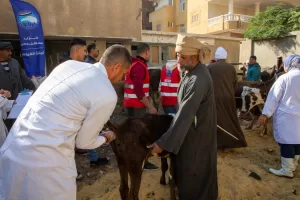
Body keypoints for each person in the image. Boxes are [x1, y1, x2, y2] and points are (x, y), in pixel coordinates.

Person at [0, 44, 132, 200]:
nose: (121, 79)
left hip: (13, 149)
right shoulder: (107, 93)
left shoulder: (68, 65)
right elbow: (84, 143)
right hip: (45, 164)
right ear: (116, 67)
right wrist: (107, 137)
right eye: (123, 74)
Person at [149, 34, 218, 199]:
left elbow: (184, 116)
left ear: (194, 57)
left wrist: (162, 143)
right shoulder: (191, 72)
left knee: (193, 172)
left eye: (182, 57)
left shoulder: (198, 79)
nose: (178, 60)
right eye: (177, 56)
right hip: (191, 131)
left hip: (197, 137)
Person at [258, 54, 300, 178]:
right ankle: (293, 165)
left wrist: (265, 114)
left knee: (286, 141)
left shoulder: (285, 78)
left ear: (289, 65)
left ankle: (287, 169)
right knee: (297, 140)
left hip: (287, 115)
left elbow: (274, 97)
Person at [123, 42, 159, 170]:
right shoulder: (139, 67)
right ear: (147, 52)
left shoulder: (132, 64)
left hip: (129, 105)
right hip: (138, 106)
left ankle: (131, 159)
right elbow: (139, 91)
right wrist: (150, 107)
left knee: (132, 133)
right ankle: (142, 162)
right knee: (142, 134)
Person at [208, 47, 247, 149]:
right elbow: (235, 84)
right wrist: (230, 93)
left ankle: (218, 144)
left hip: (215, 98)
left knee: (217, 120)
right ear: (225, 57)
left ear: (216, 57)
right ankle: (234, 142)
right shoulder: (231, 68)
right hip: (229, 98)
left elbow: (207, 83)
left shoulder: (210, 67)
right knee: (230, 119)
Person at [84, 42, 110, 167]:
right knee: (91, 130)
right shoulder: (91, 64)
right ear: (91, 50)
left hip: (88, 100)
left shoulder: (88, 62)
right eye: (96, 50)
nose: (98, 52)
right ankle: (93, 159)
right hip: (90, 101)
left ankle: (92, 156)